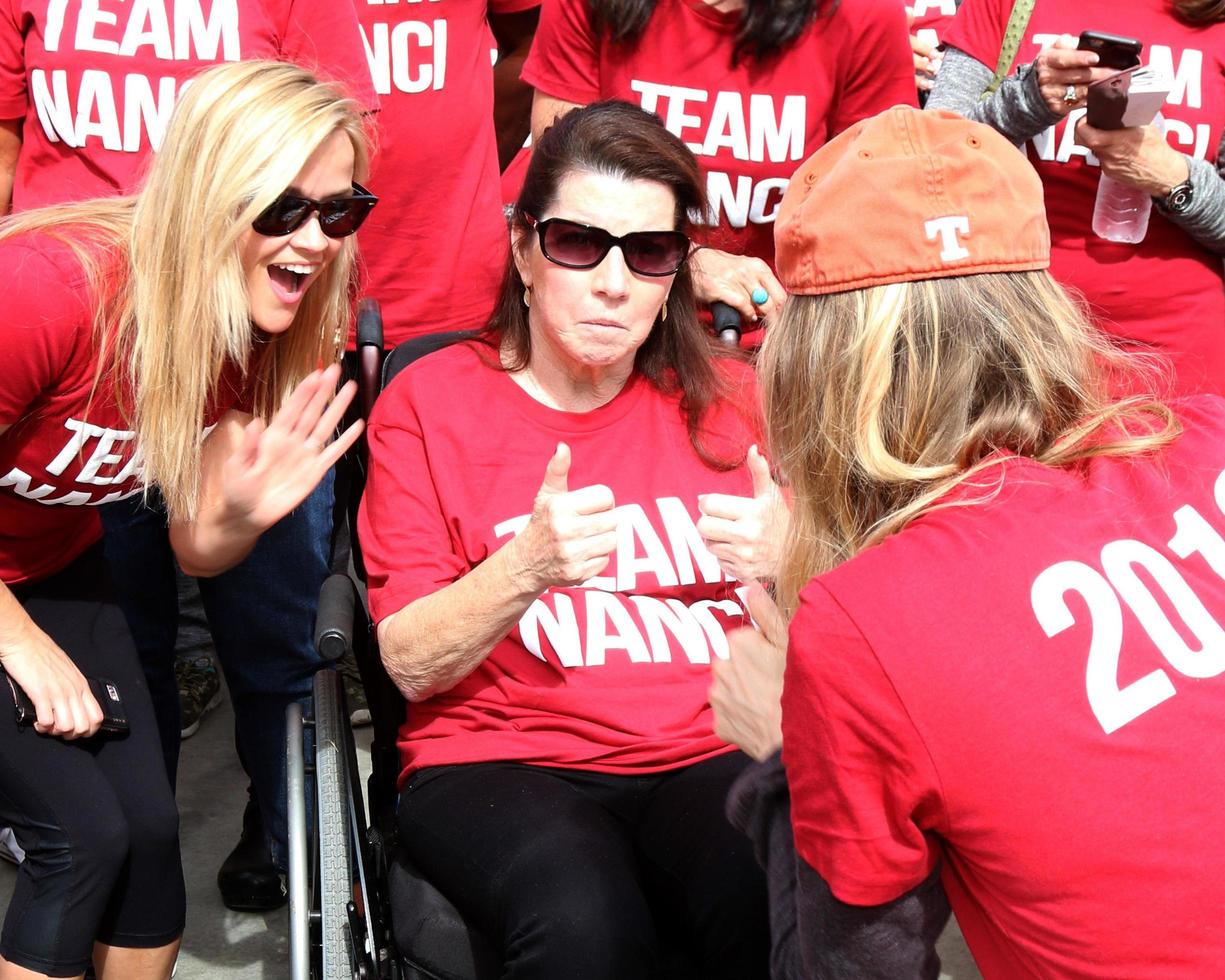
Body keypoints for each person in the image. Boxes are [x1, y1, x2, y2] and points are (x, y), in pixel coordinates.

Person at [712, 105, 1225, 978]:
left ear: (816, 357)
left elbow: (851, 970)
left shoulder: (861, 626)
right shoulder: (1208, 434)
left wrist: (779, 756)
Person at [358, 100, 786, 977]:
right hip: (500, 757)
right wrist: (525, 569)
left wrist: (795, 562)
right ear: (523, 249)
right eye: (578, 244)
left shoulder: (736, 401)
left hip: (708, 750)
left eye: (649, 252)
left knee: (773, 892)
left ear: (676, 269)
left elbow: (857, 632)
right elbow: (407, 664)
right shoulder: (430, 402)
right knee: (584, 923)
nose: (613, 281)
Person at [0, 0, 378, 910]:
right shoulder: (49, 292)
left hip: (51, 564)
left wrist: (238, 518)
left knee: (145, 841)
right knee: (81, 842)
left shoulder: (256, 332)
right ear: (209, 194)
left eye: (340, 210)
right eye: (285, 207)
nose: (318, 240)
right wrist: (19, 642)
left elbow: (193, 552)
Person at [520, 0, 917, 331]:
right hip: (612, 328)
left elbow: (878, 215)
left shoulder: (861, 13)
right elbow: (564, 187)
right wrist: (687, 263)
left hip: (777, 339)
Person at [928, 0, 1225, 396]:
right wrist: (1030, 100)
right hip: (1012, 351)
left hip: (1180, 370)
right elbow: (930, 164)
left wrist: (1174, 179)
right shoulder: (1008, 5)